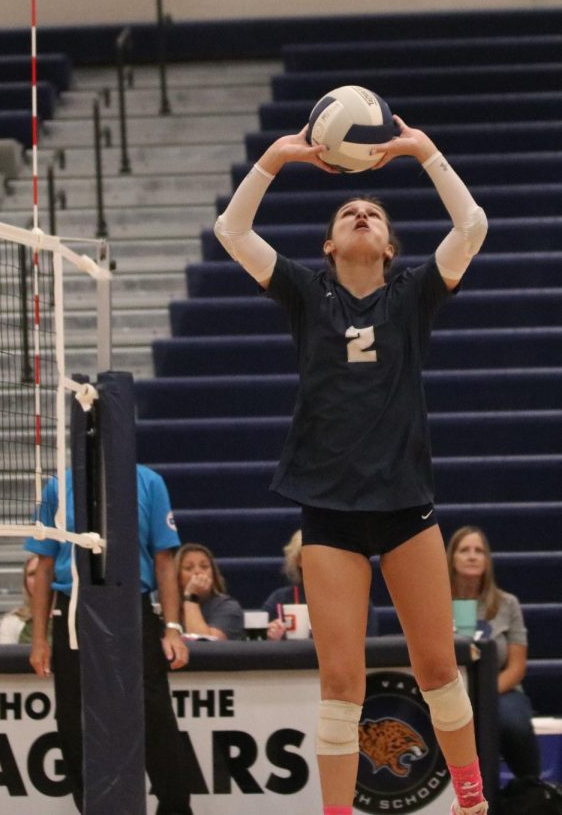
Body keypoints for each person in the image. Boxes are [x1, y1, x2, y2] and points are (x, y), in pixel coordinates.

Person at [214, 115, 490, 815]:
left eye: (373, 211)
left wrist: (425, 151)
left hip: (404, 504)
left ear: (390, 247)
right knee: (341, 683)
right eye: (349, 211)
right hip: (329, 510)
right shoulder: (308, 295)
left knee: (435, 667)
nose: (362, 213)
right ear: (330, 244)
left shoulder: (411, 296)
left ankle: (471, 802)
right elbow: (232, 233)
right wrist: (276, 159)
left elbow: (473, 226)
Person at [26, 464, 192, 815]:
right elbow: (43, 565)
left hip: (132, 608)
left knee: (156, 718)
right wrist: (39, 639)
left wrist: (173, 627)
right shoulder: (58, 486)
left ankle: (176, 806)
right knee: (73, 725)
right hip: (74, 613)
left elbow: (164, 560)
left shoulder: (149, 482)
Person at [447, 525, 541, 782]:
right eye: (464, 550)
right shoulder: (436, 603)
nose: (472, 555)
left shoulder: (507, 603)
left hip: (500, 689)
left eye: (479, 551)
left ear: (487, 561)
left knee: (515, 724)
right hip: (447, 692)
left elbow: (516, 667)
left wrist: (483, 695)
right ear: (452, 558)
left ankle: (530, 788)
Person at [263, 530, 379, 640]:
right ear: (298, 560)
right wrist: (269, 636)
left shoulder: (355, 600)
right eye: (314, 554)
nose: (323, 560)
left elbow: (369, 644)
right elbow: (259, 641)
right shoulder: (280, 598)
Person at [176, 542, 245, 640]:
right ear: (177, 576)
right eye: (188, 568)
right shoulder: (163, 605)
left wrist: (191, 597)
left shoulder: (228, 607)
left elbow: (202, 643)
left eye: (204, 566)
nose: (198, 572)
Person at [0, 554, 44, 644]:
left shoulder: (73, 618)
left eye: (44, 572)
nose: (39, 579)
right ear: (25, 583)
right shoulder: (11, 622)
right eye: (32, 574)